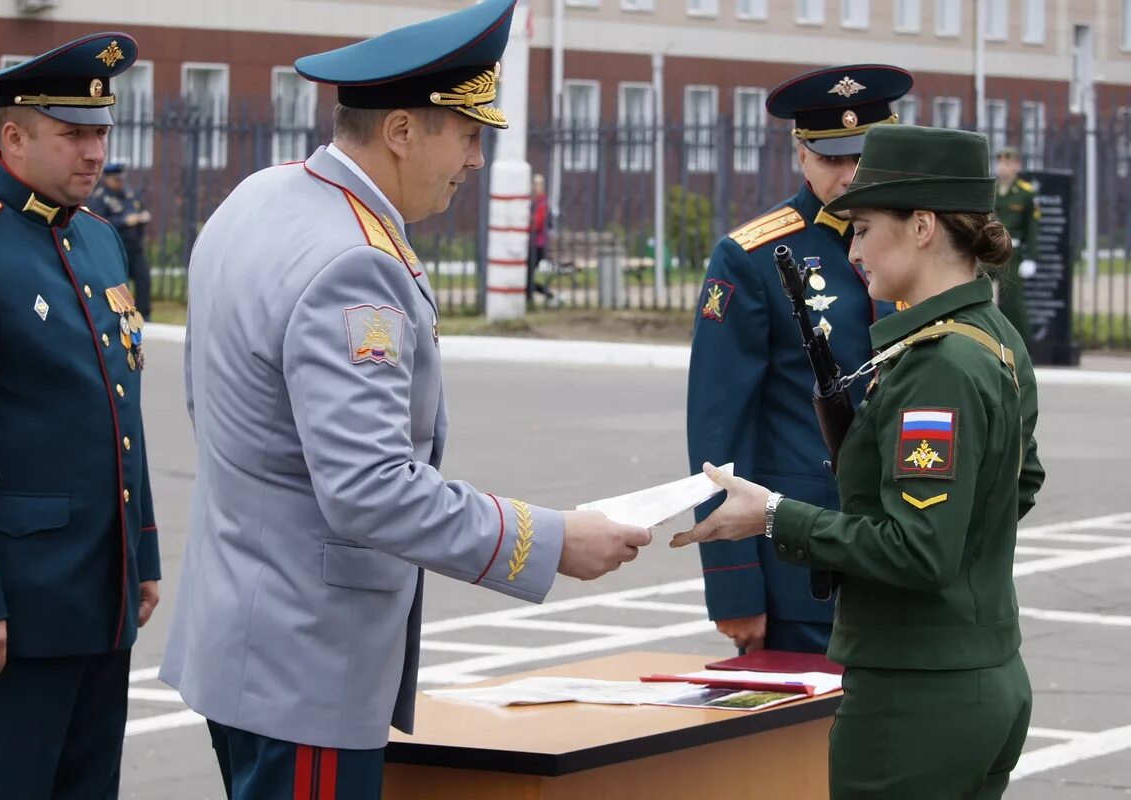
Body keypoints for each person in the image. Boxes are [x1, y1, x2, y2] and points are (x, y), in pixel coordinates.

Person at [159, 2, 651, 797]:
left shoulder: (262, 198)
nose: (476, 161)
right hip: (306, 669)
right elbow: (370, 488)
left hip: (240, 640)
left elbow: (219, 411)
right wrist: (553, 541)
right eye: (466, 135)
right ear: (400, 132)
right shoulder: (357, 263)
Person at [672, 124, 1044, 799]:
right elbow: (1021, 479)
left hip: (914, 693)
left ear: (923, 227)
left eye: (866, 226)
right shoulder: (995, 338)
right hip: (981, 672)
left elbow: (920, 547)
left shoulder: (938, 366)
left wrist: (776, 515)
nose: (854, 246)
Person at [0, 33, 160, 798]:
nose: (94, 153)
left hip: (100, 595)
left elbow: (119, 405)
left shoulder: (97, 241)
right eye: (73, 134)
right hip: (10, 613)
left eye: (100, 133)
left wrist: (144, 555)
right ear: (14, 137)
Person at [688, 64, 910, 654]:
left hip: (906, 545)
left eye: (863, 156)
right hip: (800, 562)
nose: (848, 175)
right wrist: (734, 585)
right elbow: (719, 428)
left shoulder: (923, 239)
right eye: (831, 158)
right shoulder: (753, 257)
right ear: (801, 155)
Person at [90, 161, 153, 319]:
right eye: (116, 179)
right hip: (116, 249)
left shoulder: (130, 194)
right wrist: (124, 221)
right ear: (107, 179)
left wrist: (142, 217)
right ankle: (122, 314)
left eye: (121, 179)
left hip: (135, 248)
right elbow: (99, 222)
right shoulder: (101, 198)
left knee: (143, 278)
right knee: (119, 283)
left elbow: (140, 209)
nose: (120, 182)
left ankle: (144, 315)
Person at [993, 146, 1039, 345]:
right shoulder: (991, 189)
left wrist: (1031, 258)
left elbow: (1033, 229)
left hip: (1012, 252)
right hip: (989, 250)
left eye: (1008, 163)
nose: (1004, 167)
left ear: (1017, 166)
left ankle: (1022, 348)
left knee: (1012, 303)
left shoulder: (1025, 193)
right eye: (1001, 162)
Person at [527, 172, 558, 307]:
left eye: (538, 184)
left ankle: (544, 295)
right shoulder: (534, 202)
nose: (535, 187)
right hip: (532, 244)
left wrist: (527, 221)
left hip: (538, 245)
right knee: (526, 276)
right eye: (533, 184)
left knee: (526, 276)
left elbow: (536, 224)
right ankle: (543, 294)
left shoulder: (542, 203)